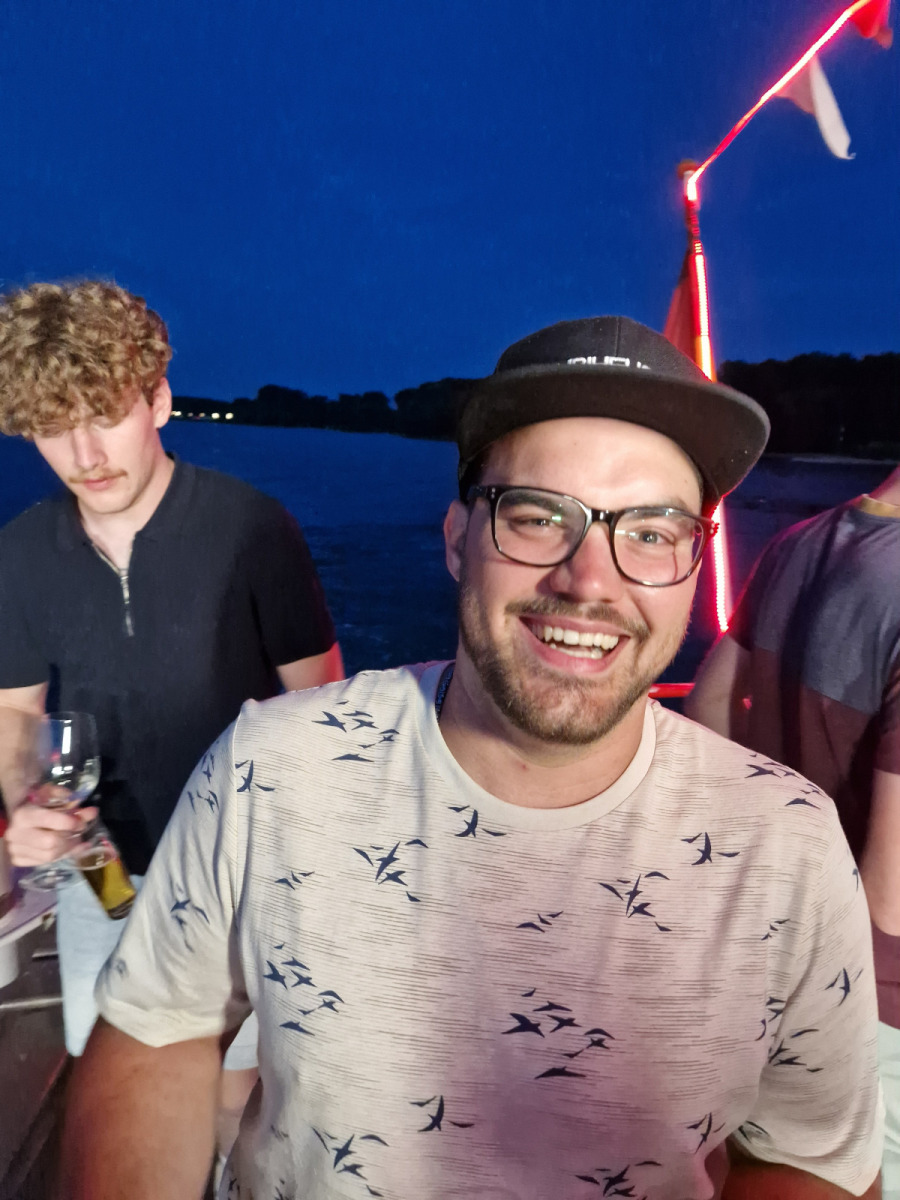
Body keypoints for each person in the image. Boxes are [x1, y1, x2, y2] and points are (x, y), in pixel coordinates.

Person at [62, 317, 882, 1200]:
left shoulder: (786, 846)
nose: (589, 580)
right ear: (458, 539)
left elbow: (809, 1155)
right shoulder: (271, 768)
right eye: (537, 517)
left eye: (651, 532)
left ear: (693, 564)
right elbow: (159, 1030)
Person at [0, 280, 344, 1164]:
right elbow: (15, 718)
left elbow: (320, 703)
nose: (84, 454)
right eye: (53, 426)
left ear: (157, 399)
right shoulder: (21, 552)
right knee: (113, 1084)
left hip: (241, 873)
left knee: (236, 1088)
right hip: (100, 871)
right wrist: (25, 804)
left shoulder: (254, 529)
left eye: (104, 415)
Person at [686, 464, 900, 1197]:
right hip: (876, 1019)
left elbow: (708, 707)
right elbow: (891, 904)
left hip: (764, 964)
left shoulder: (800, 540)